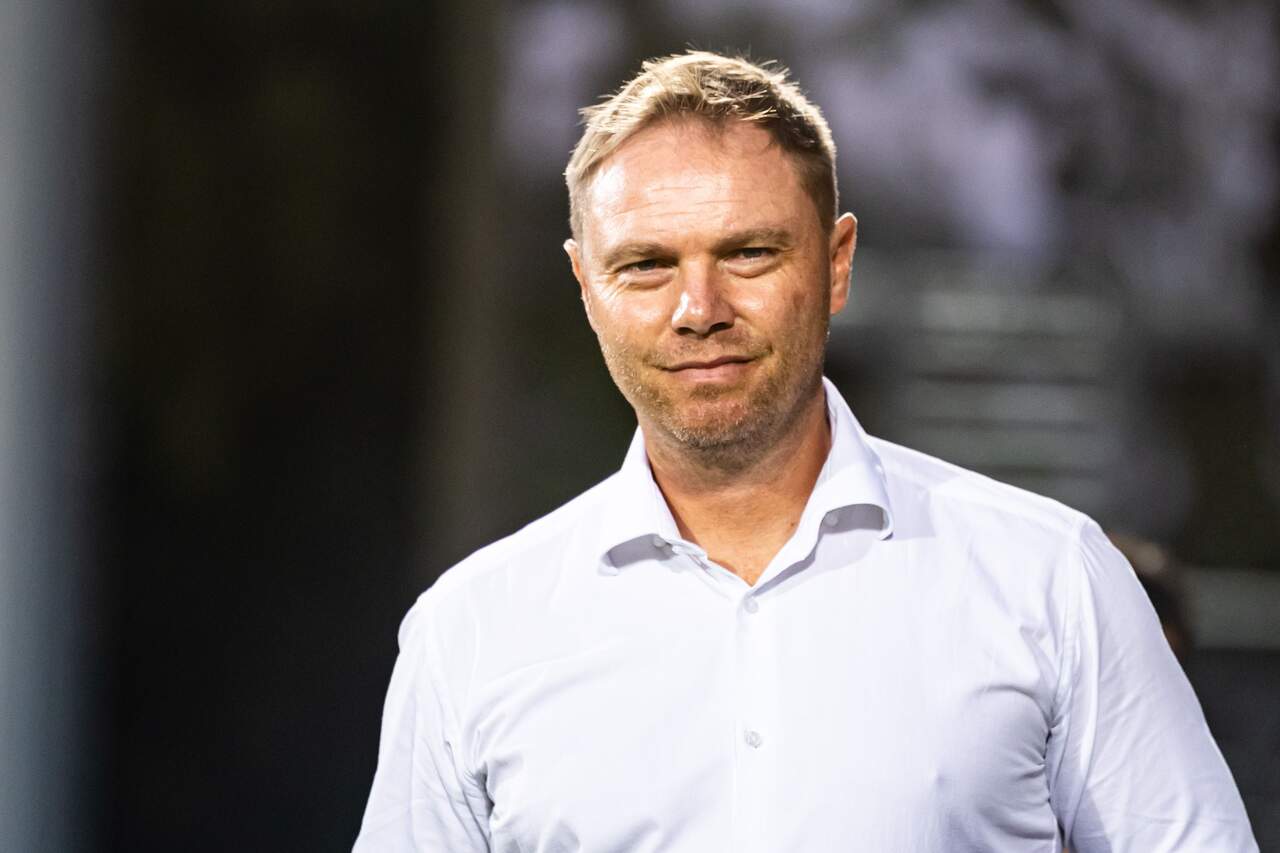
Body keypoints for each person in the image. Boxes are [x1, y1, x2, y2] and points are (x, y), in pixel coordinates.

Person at [354, 51, 1256, 851]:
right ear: (586, 284)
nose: (698, 309)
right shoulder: (471, 632)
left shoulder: (1053, 581)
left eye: (748, 253)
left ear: (837, 262)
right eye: (647, 265)